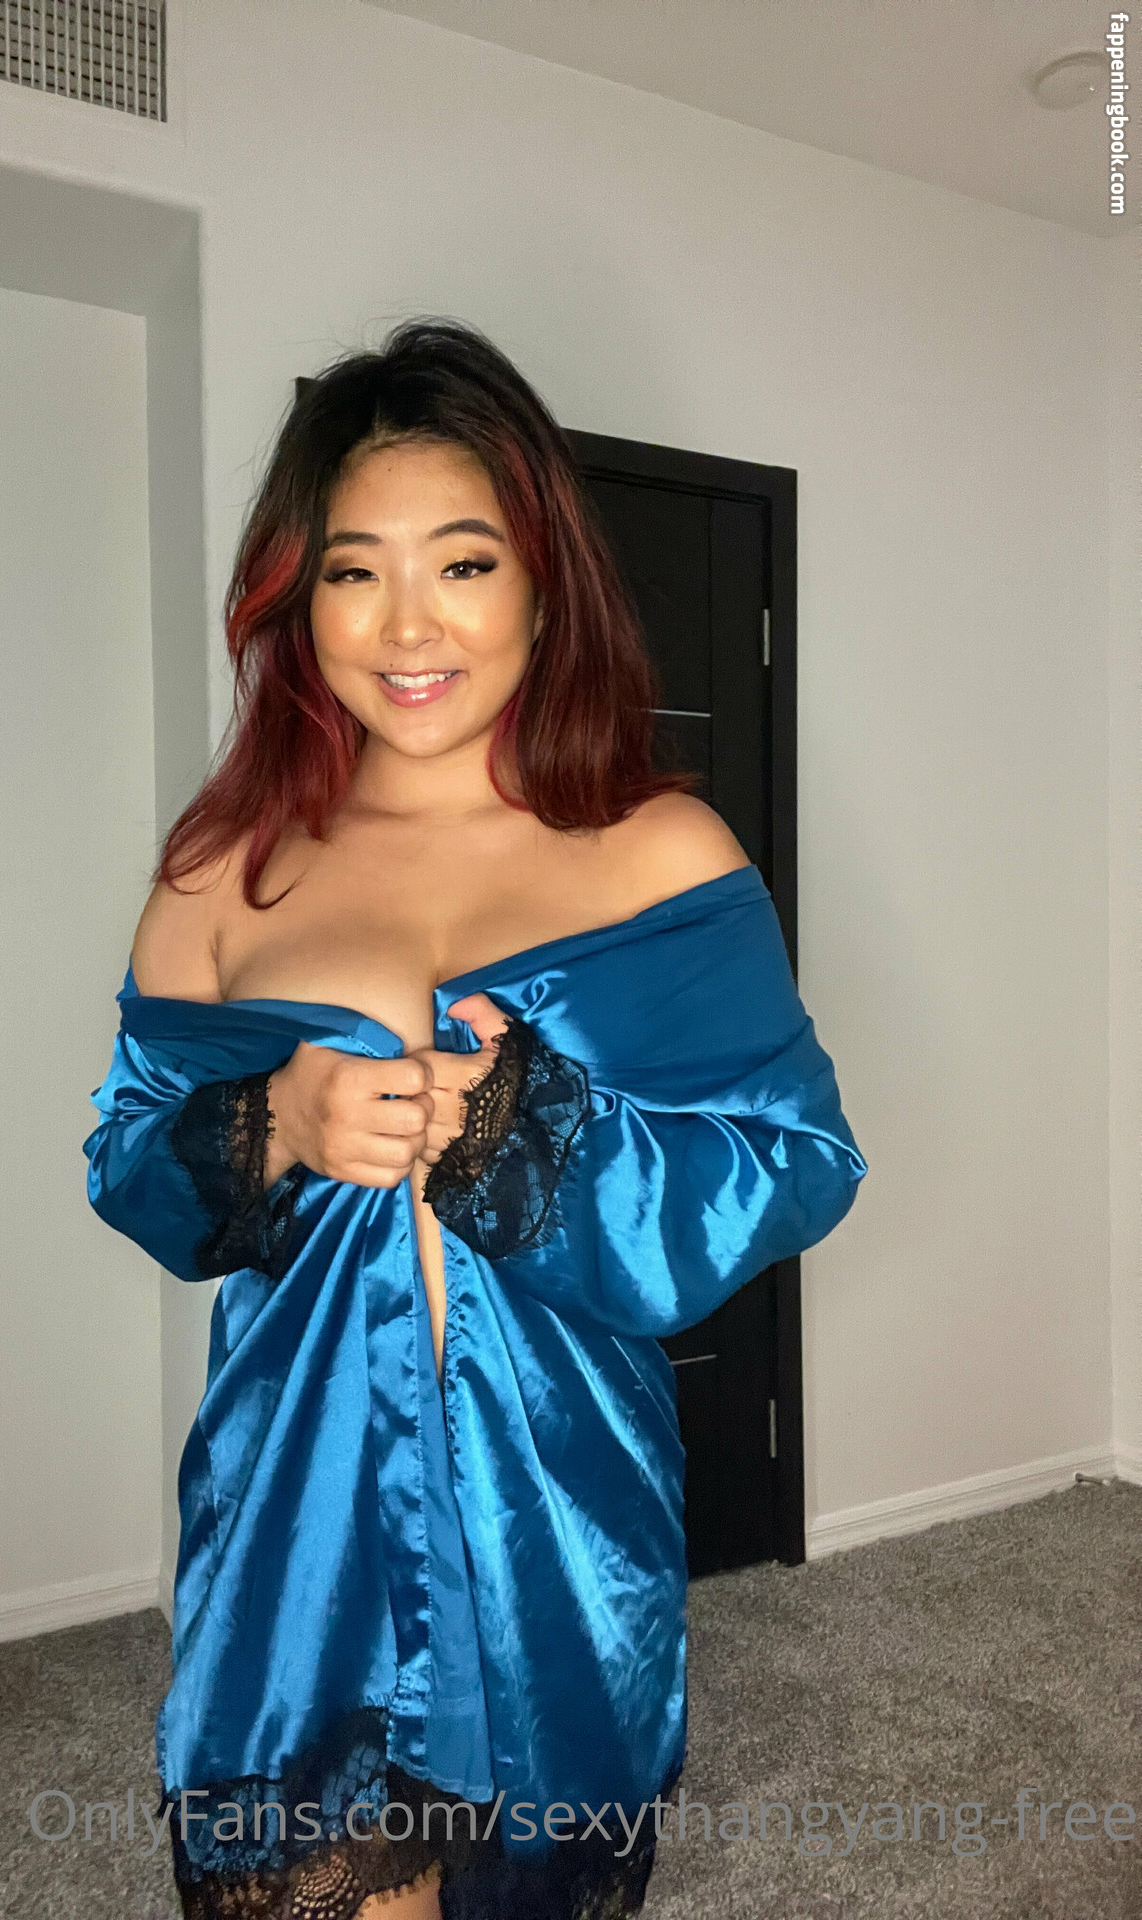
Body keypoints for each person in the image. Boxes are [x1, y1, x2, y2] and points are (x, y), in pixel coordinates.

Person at [84, 318, 867, 1920]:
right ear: (298, 601)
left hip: (554, 1520)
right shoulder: (222, 868)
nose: (408, 624)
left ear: (543, 584)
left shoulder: (659, 852)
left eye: (462, 562)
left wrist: (530, 1132)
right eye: (353, 572)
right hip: (298, 1525)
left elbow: (795, 1160)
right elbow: (128, 1166)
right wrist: (274, 1120)